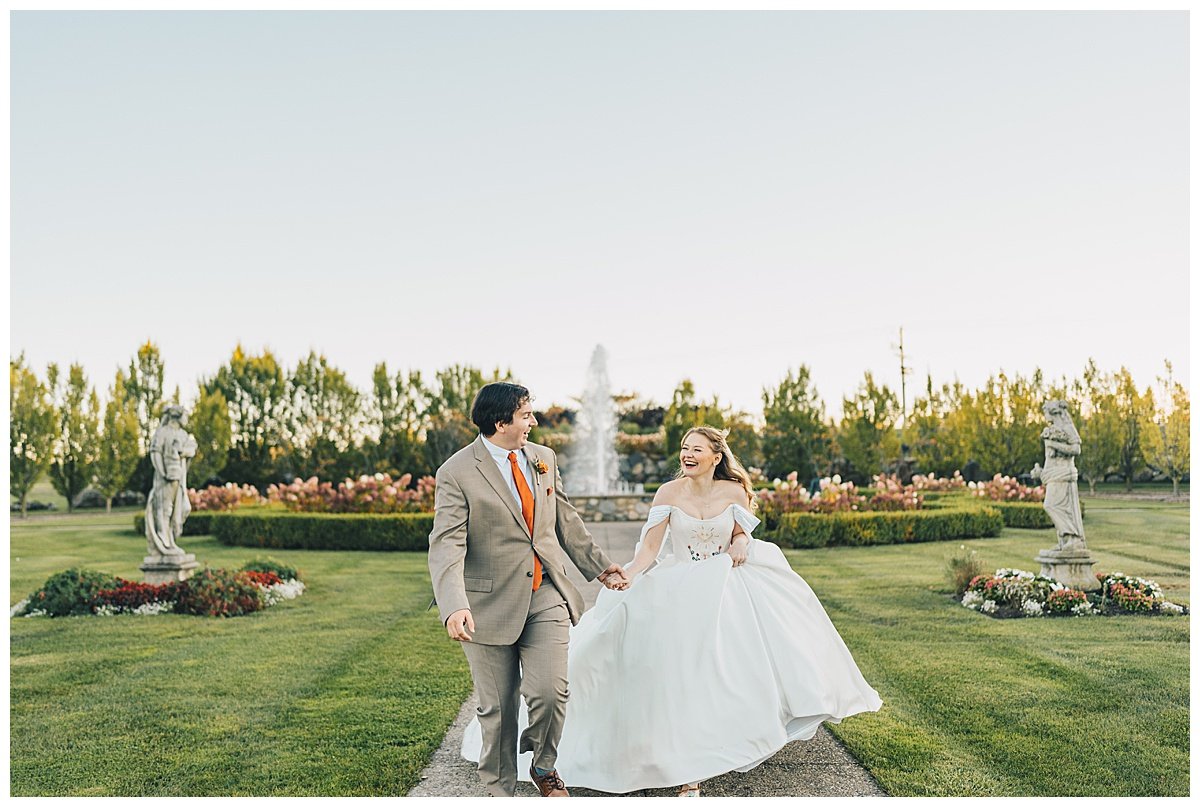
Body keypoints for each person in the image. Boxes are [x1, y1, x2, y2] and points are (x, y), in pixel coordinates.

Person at [463, 425, 883, 796]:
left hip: (726, 586)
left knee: (731, 671)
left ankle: (721, 746)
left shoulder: (735, 492)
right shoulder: (668, 493)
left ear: (716, 457)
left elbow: (741, 535)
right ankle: (686, 771)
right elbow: (650, 549)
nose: (688, 454)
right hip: (679, 586)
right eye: (684, 448)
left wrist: (740, 543)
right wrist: (627, 575)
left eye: (696, 449)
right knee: (676, 673)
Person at [428, 382, 630, 797]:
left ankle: (543, 765)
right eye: (526, 415)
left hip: (545, 592)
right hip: (486, 604)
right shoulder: (456, 472)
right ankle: (499, 789)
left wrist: (599, 567)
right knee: (499, 708)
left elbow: (565, 519)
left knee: (551, 692)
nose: (533, 422)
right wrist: (454, 605)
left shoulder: (543, 458)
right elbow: (447, 542)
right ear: (501, 422)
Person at [144, 405, 197, 558]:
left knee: (179, 509)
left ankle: (171, 540)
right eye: (185, 416)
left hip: (179, 477)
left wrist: (184, 452)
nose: (187, 419)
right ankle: (164, 542)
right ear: (177, 416)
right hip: (167, 476)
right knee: (165, 508)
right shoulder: (163, 432)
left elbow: (191, 449)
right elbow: (155, 453)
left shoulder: (183, 434)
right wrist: (163, 473)